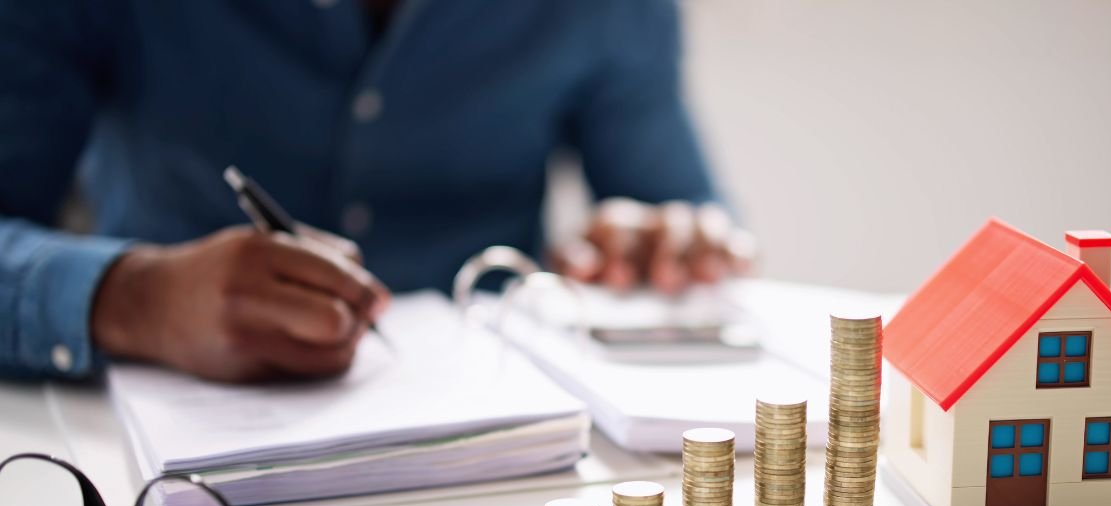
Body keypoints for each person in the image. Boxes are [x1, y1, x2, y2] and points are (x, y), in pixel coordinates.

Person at [0, 0, 749, 383]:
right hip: (153, 472)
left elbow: (676, 213)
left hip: (501, 476)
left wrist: (665, 242)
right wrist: (134, 300)